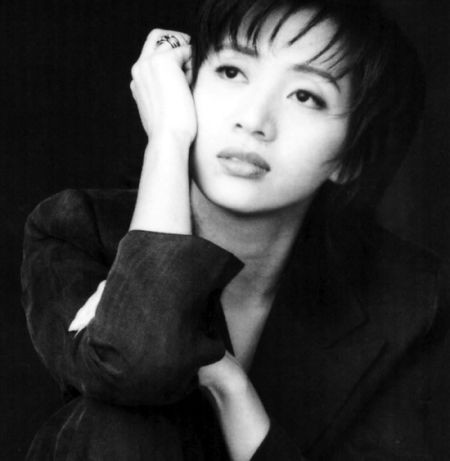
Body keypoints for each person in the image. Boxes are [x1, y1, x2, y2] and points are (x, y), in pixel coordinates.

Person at [21, 0, 450, 459]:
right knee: (120, 421)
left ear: (350, 159)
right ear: (183, 84)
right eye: (231, 72)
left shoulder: (413, 298)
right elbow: (137, 370)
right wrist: (167, 138)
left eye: (306, 96)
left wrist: (231, 387)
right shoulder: (77, 230)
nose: (254, 120)